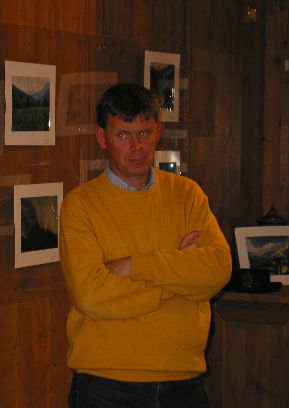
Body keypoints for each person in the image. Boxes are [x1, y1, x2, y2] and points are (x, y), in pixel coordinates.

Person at [60, 83, 232, 407]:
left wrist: (134, 266)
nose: (136, 146)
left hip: (183, 381)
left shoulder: (188, 195)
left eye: (144, 132)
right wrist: (180, 274)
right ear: (102, 138)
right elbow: (90, 295)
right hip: (105, 384)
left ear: (158, 131)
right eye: (123, 135)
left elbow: (219, 269)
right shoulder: (80, 206)